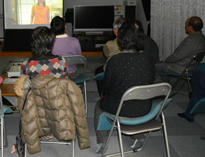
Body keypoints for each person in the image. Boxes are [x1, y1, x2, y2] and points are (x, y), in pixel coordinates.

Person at [14, 26, 89, 154]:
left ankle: (42, 130)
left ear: (34, 43)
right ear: (51, 42)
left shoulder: (26, 65)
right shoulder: (60, 62)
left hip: (36, 109)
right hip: (57, 106)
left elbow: (26, 89)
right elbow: (64, 84)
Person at [94, 20, 156, 154]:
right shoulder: (148, 59)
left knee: (99, 106)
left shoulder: (115, 61)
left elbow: (107, 88)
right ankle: (138, 136)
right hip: (145, 107)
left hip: (120, 108)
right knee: (130, 101)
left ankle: (103, 143)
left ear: (121, 39)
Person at [94, 17, 125, 96]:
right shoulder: (134, 44)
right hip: (126, 69)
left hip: (112, 70)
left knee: (98, 70)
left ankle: (103, 94)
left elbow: (106, 55)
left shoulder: (109, 44)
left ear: (115, 30)